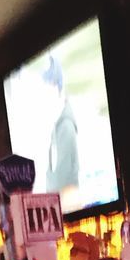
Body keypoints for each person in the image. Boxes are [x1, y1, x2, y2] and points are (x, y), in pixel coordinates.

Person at [42, 56, 79, 197]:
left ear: (56, 87)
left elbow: (62, 183)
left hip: (66, 204)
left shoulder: (66, 128)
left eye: (47, 86)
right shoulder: (57, 123)